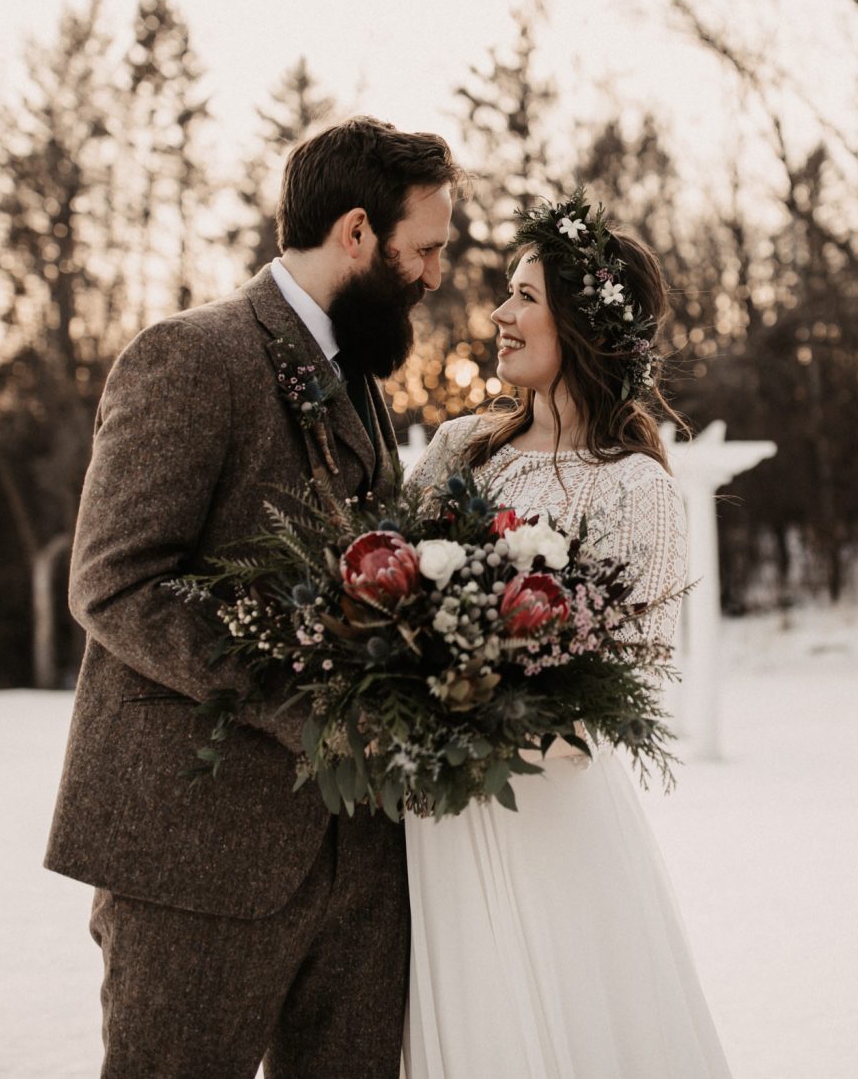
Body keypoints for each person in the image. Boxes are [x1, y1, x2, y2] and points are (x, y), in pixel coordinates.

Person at [45, 116, 458, 1079]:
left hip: (358, 861)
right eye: (425, 248)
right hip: (199, 855)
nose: (435, 274)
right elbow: (115, 577)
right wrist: (304, 700)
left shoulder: (360, 382)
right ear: (357, 232)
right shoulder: (190, 356)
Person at [402, 195, 733, 1078]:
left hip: (546, 823)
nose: (501, 316)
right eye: (505, 295)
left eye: (524, 297)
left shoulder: (637, 491)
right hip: (425, 824)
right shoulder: (460, 450)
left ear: (582, 324)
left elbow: (617, 700)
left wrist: (466, 716)